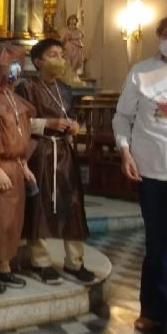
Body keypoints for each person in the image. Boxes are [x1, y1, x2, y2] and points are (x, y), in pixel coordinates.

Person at [16, 38, 95, 285]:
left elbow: (72, 116)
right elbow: (16, 122)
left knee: (72, 207)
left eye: (61, 54)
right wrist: (46, 124)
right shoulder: (26, 88)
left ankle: (75, 262)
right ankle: (41, 261)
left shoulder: (65, 89)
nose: (59, 59)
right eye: (52, 54)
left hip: (63, 153)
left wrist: (74, 126)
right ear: (38, 61)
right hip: (40, 152)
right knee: (40, 205)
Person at [112, 17, 167, 333]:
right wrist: (125, 152)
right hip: (152, 171)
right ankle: (153, 310)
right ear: (159, 35)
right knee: (157, 244)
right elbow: (122, 118)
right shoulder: (141, 72)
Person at [0, 43, 37, 291]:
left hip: (15, 167)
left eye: (17, 66)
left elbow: (22, 135)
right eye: (8, 66)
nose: (14, 71)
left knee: (13, 221)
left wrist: (23, 164)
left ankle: (4, 266)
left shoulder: (14, 98)